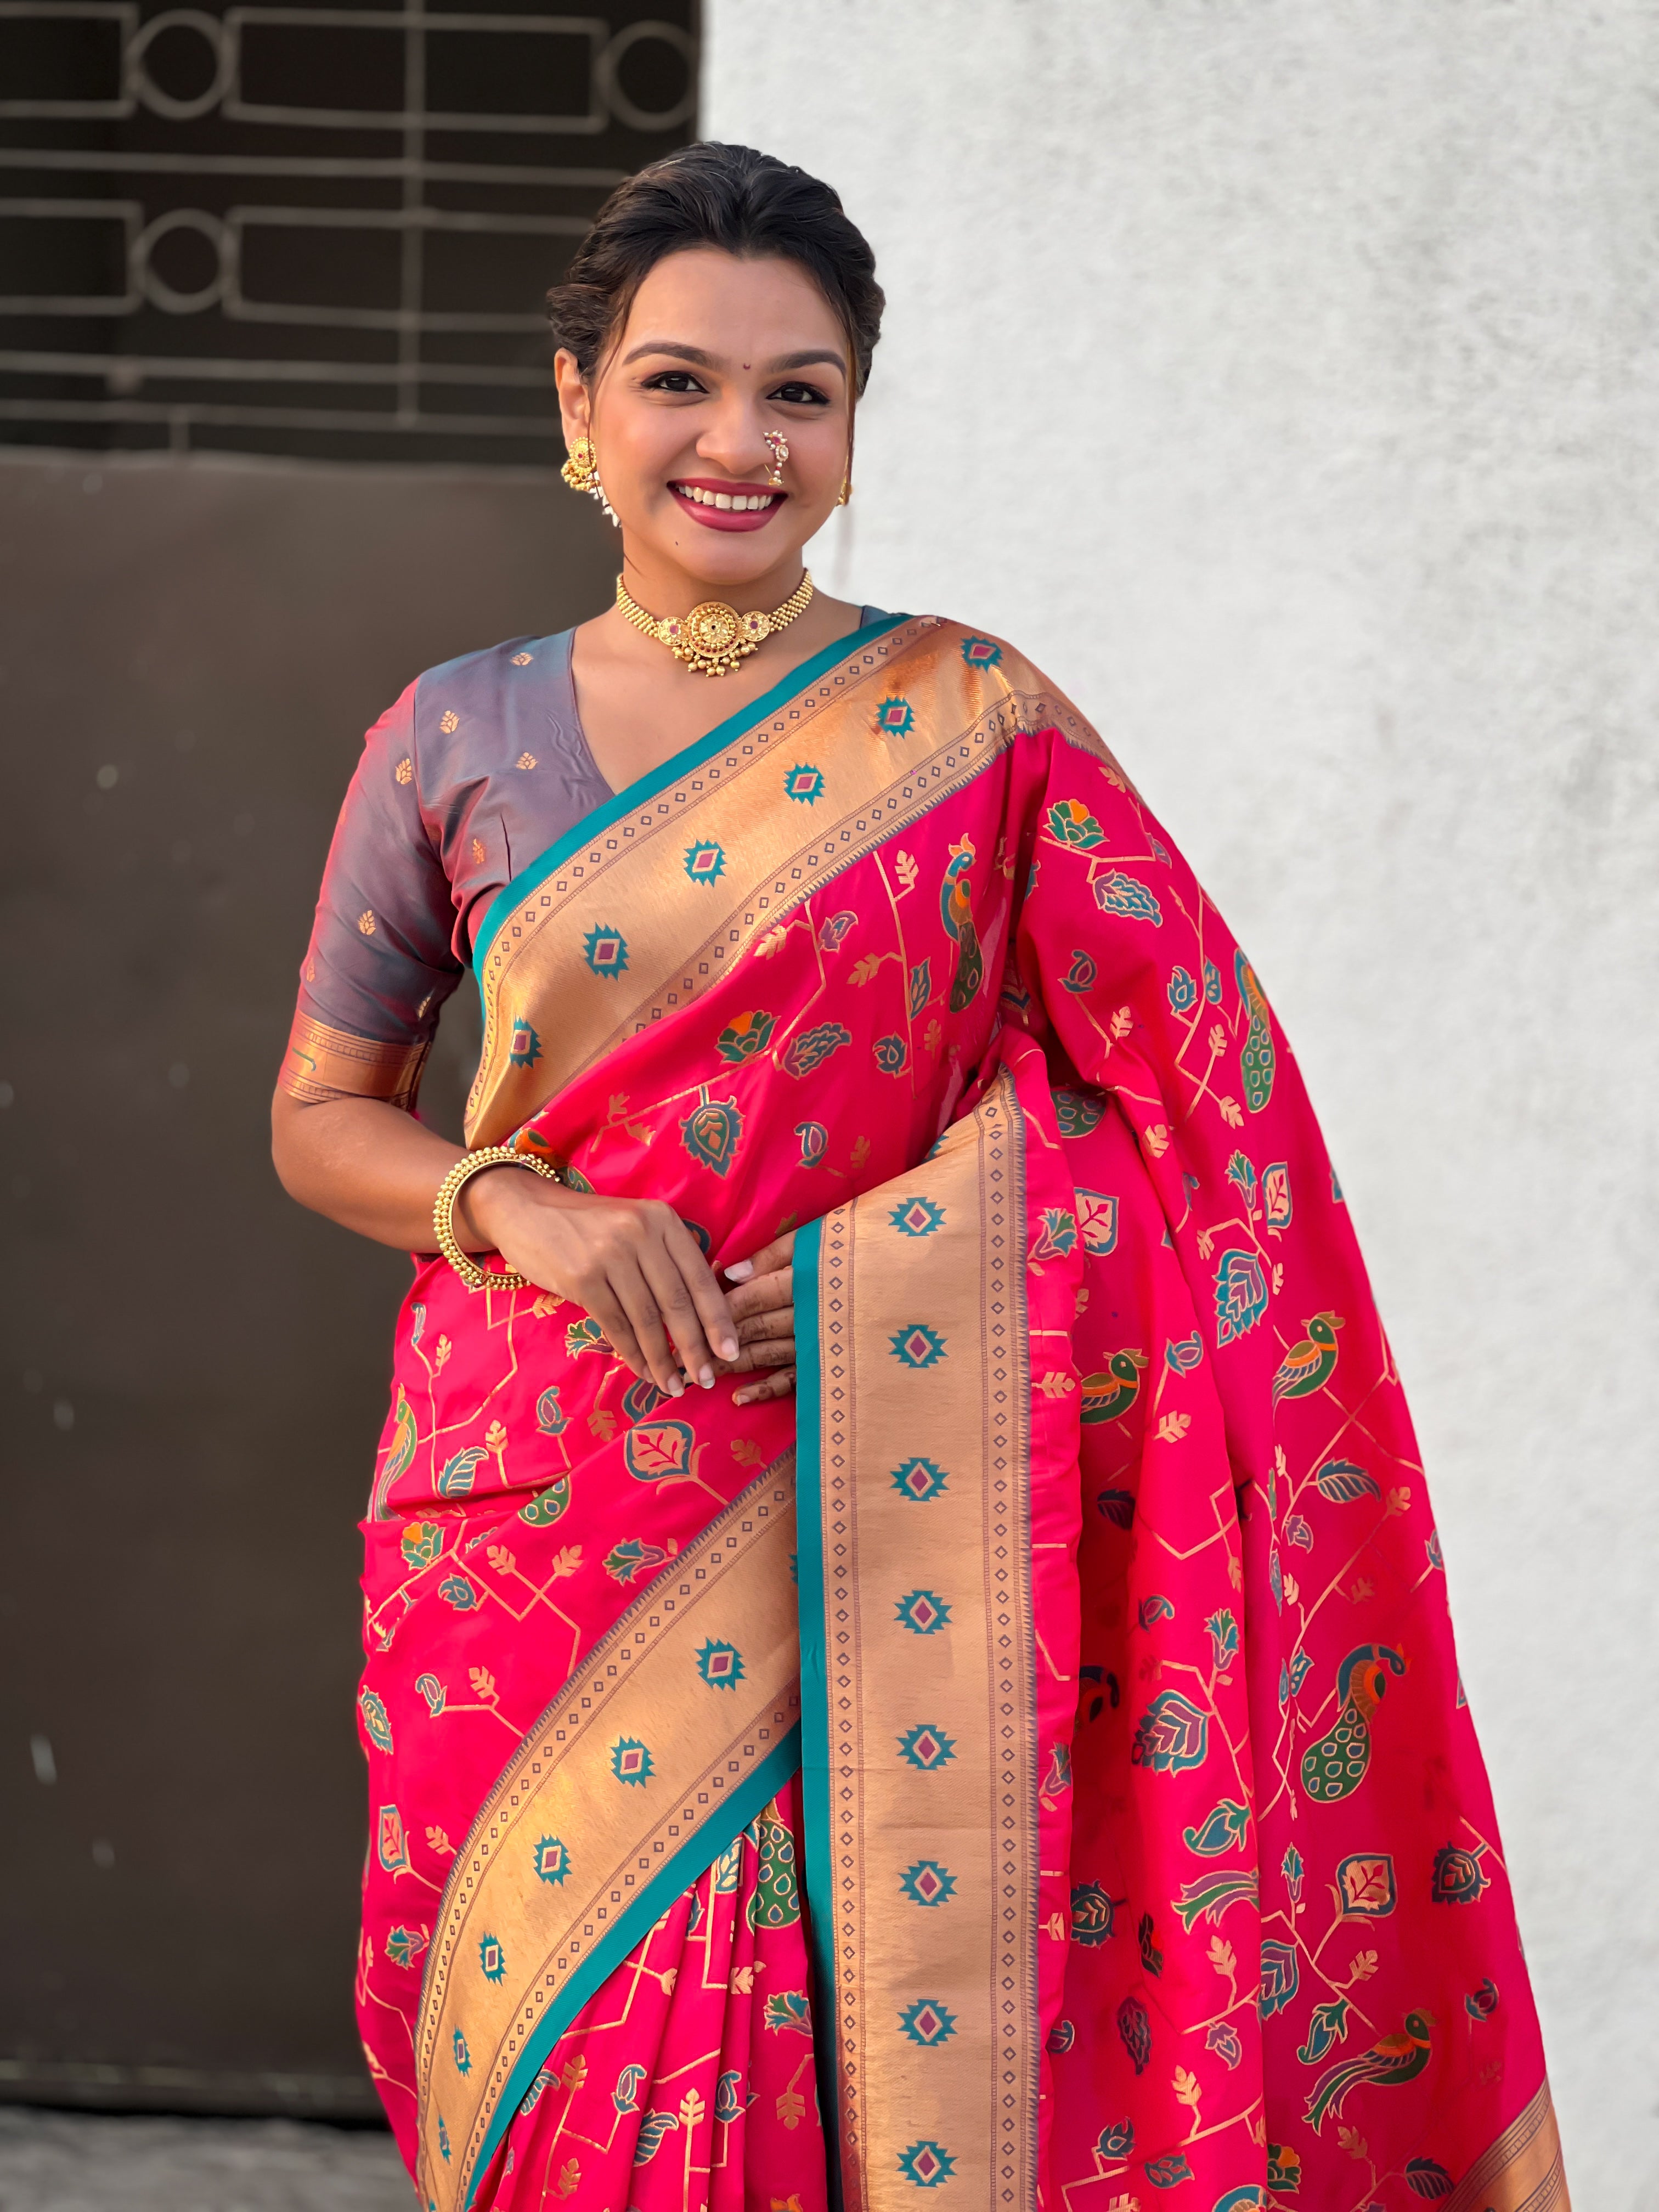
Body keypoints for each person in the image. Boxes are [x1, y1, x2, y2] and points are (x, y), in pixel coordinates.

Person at [272, 142, 1566, 2212]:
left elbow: (1199, 1117)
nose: (741, 442)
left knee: (881, 2070)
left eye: (801, 392)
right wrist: (523, 1204)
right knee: (546, 2079)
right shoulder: (451, 734)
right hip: (526, 1514)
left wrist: (913, 1271)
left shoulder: (975, 720)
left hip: (886, 1507)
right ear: (579, 403)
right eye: (680, 381)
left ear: (856, 419)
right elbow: (323, 1115)